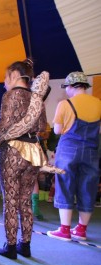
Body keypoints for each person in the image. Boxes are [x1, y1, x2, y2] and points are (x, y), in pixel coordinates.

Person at [0, 59, 48, 259]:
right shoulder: (36, 98)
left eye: (6, 77)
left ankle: (10, 246)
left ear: (15, 75)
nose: (4, 82)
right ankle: (26, 246)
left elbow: (4, 124)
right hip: (33, 151)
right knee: (25, 201)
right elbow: (43, 127)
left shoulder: (10, 95)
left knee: (11, 202)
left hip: (14, 151)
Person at [47, 72, 101, 241]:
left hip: (68, 149)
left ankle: (64, 230)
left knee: (65, 185)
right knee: (88, 187)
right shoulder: (99, 103)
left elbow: (56, 130)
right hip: (91, 151)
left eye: (67, 88)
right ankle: (81, 230)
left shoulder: (65, 104)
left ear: (71, 86)